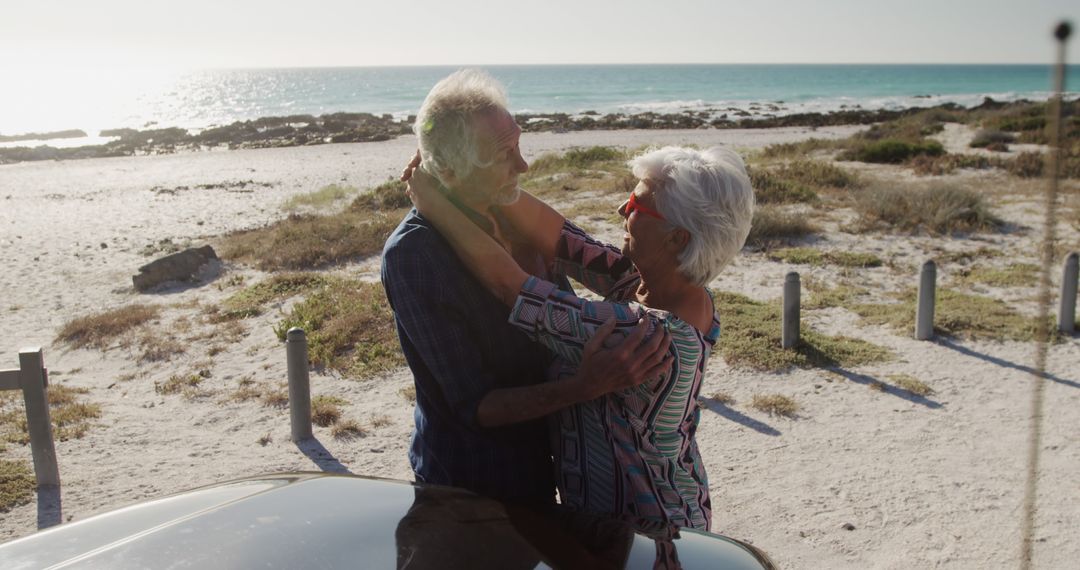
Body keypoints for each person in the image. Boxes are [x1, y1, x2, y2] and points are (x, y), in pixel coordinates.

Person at [405, 144, 755, 530]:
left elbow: (511, 287)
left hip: (651, 533)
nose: (623, 210)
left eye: (638, 205)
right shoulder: (662, 285)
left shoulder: (647, 334)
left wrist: (432, 203)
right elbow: (559, 235)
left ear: (677, 239)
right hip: (636, 518)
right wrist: (467, 169)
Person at [380, 69, 672, 507]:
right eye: (504, 154)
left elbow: (616, 271)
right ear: (454, 170)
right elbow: (472, 405)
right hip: (472, 487)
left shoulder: (513, 210)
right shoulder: (414, 256)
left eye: (519, 143)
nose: (523, 165)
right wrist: (584, 386)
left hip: (548, 467)